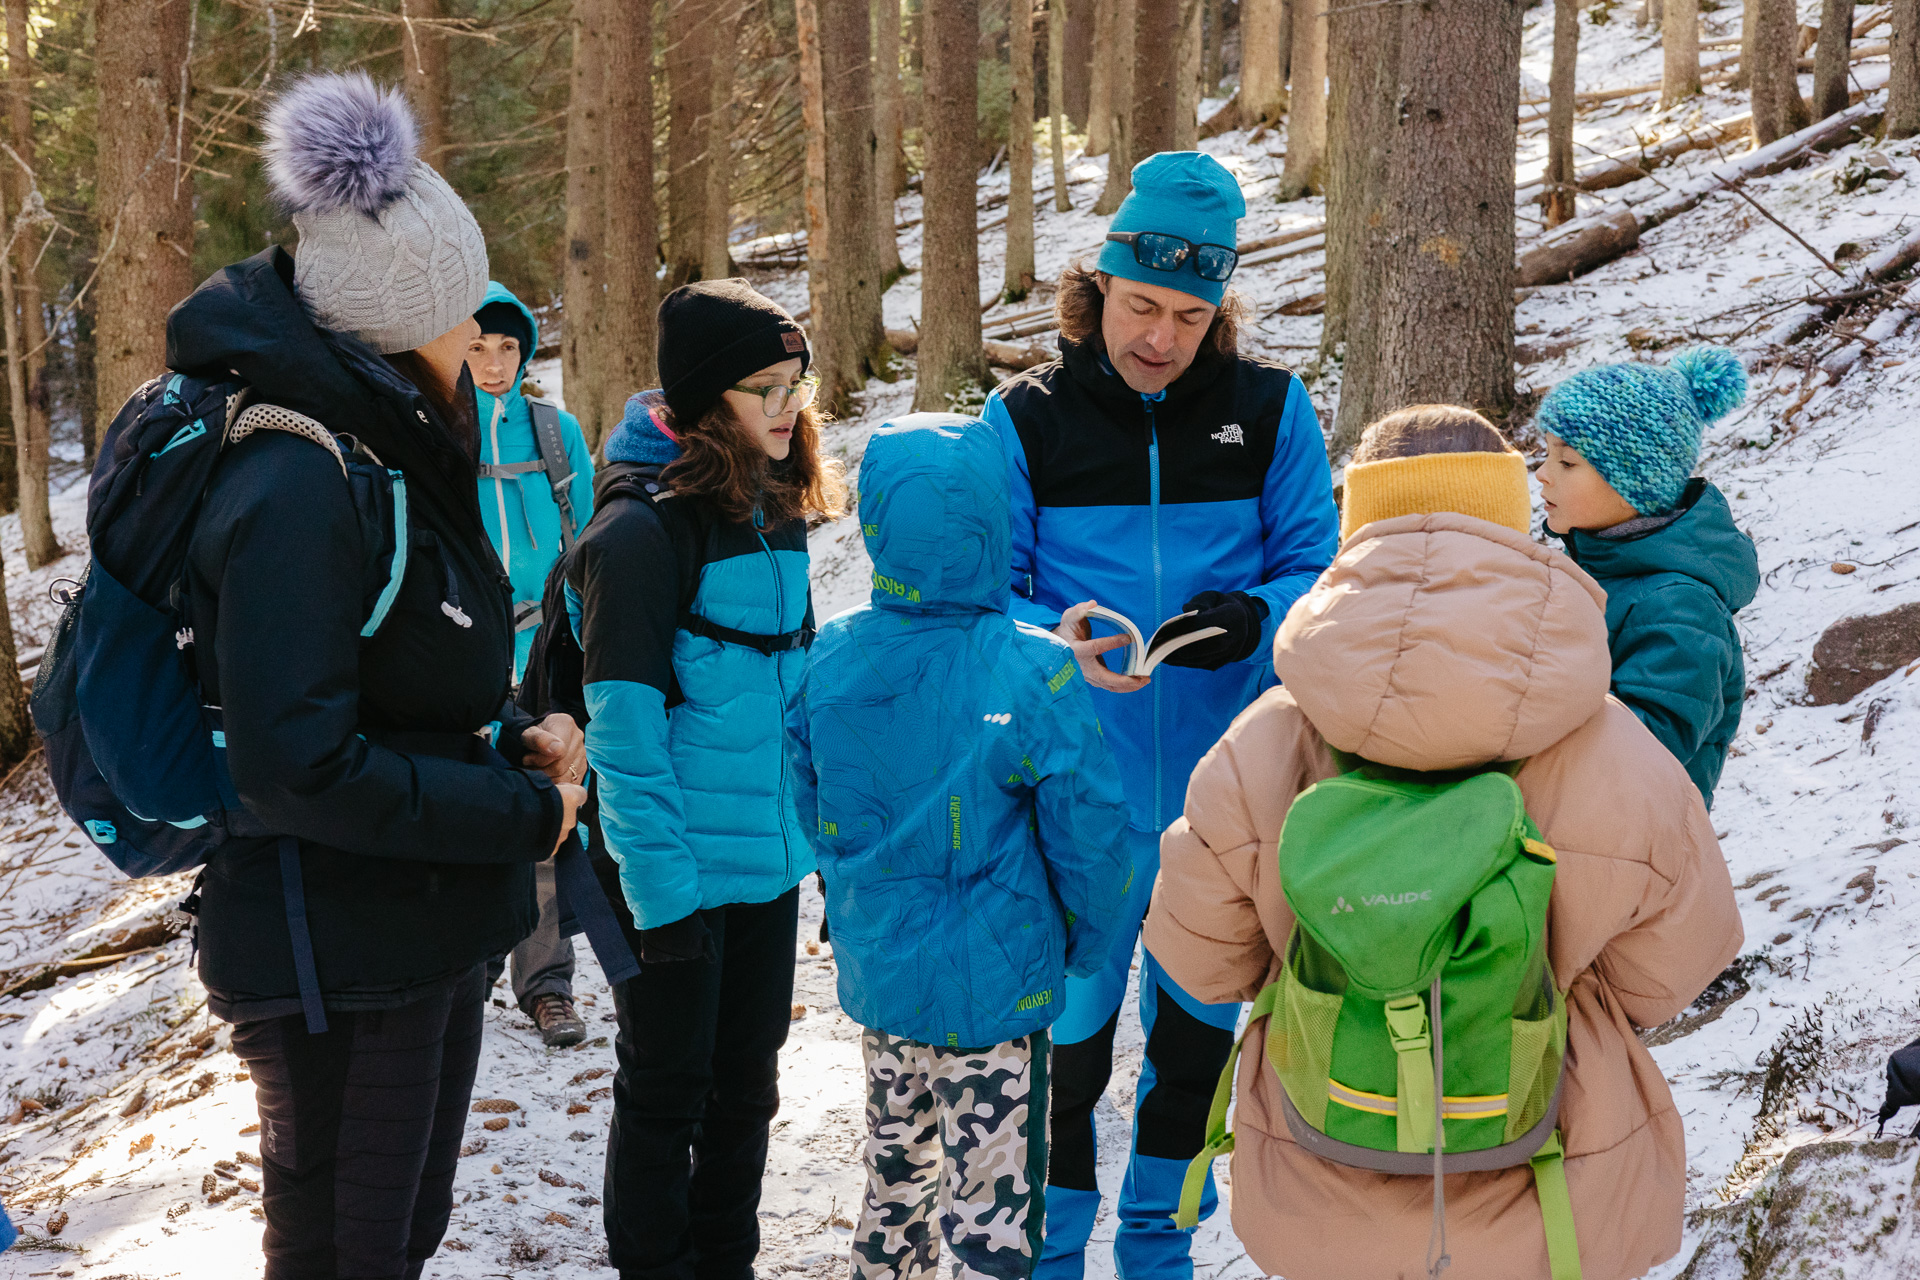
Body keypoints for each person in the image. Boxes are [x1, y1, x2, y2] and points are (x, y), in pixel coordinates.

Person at [1142, 404, 1743, 1280]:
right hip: (1553, 1188)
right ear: (1508, 525)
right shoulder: (1617, 749)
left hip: (1323, 1189)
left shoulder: (1264, 742)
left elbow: (1198, 959)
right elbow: (1675, 965)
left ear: (1358, 532)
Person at [169, 73, 587, 1279]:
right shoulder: (298, 483)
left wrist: (509, 741)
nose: (484, 341)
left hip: (417, 922)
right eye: (465, 320)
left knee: (395, 1240)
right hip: (331, 956)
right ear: (404, 329)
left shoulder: (389, 451)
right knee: (346, 1253)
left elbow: (391, 681)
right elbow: (297, 763)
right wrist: (526, 812)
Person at [984, 150, 1339, 1278]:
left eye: (1190, 314)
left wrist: (1257, 614)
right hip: (1072, 799)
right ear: (1097, 292)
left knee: (1191, 1056)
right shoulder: (1024, 417)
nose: (1160, 337)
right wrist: (1056, 635)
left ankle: (1159, 1245)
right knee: (1066, 1055)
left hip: (1222, 798)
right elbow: (985, 586)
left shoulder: (1272, 410)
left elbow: (1321, 571)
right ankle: (1053, 1251)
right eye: (1142, 306)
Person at [788, 414, 1135, 1280]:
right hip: (999, 992)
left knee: (895, 1173)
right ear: (997, 520)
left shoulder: (830, 658)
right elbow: (1090, 832)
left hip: (886, 975)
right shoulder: (1032, 670)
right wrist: (1087, 942)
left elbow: (808, 797)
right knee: (994, 1199)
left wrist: (856, 893)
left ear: (873, 521)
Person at [568, 279, 844, 1280]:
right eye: (762, 387)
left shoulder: (772, 510)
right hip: (669, 878)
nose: (788, 404)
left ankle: (726, 1259)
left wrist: (808, 842)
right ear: (702, 400)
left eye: (795, 381)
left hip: (765, 867)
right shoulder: (640, 537)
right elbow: (625, 739)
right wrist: (664, 901)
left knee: (748, 1088)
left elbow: (788, 697)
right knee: (666, 1089)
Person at [1535, 347, 1759, 806]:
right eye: (1546, 456)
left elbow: (1647, 747)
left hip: (1626, 846)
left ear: (1634, 485)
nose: (1541, 474)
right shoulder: (1587, 569)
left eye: (1567, 462)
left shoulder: (1680, 607)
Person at [467, 281, 597, 1048]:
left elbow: (583, 545)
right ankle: (469, 961)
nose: (492, 363)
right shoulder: (439, 430)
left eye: (508, 346)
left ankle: (546, 985)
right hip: (469, 651)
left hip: (545, 648)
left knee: (548, 804)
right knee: (471, 799)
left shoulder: (555, 433)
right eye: (478, 346)